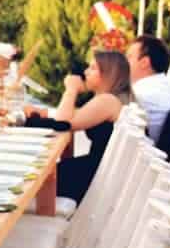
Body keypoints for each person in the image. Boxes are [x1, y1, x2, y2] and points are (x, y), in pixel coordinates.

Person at [55, 50, 132, 204]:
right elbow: (75, 115)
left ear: (109, 73)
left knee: (41, 175)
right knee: (48, 170)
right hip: (104, 171)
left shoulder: (108, 101)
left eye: (93, 68)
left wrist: (71, 89)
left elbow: (61, 123)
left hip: (98, 178)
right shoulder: (115, 98)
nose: (86, 72)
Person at [126, 35, 170, 143]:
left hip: (144, 152)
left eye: (129, 57)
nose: (124, 62)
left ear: (144, 62)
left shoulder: (140, 93)